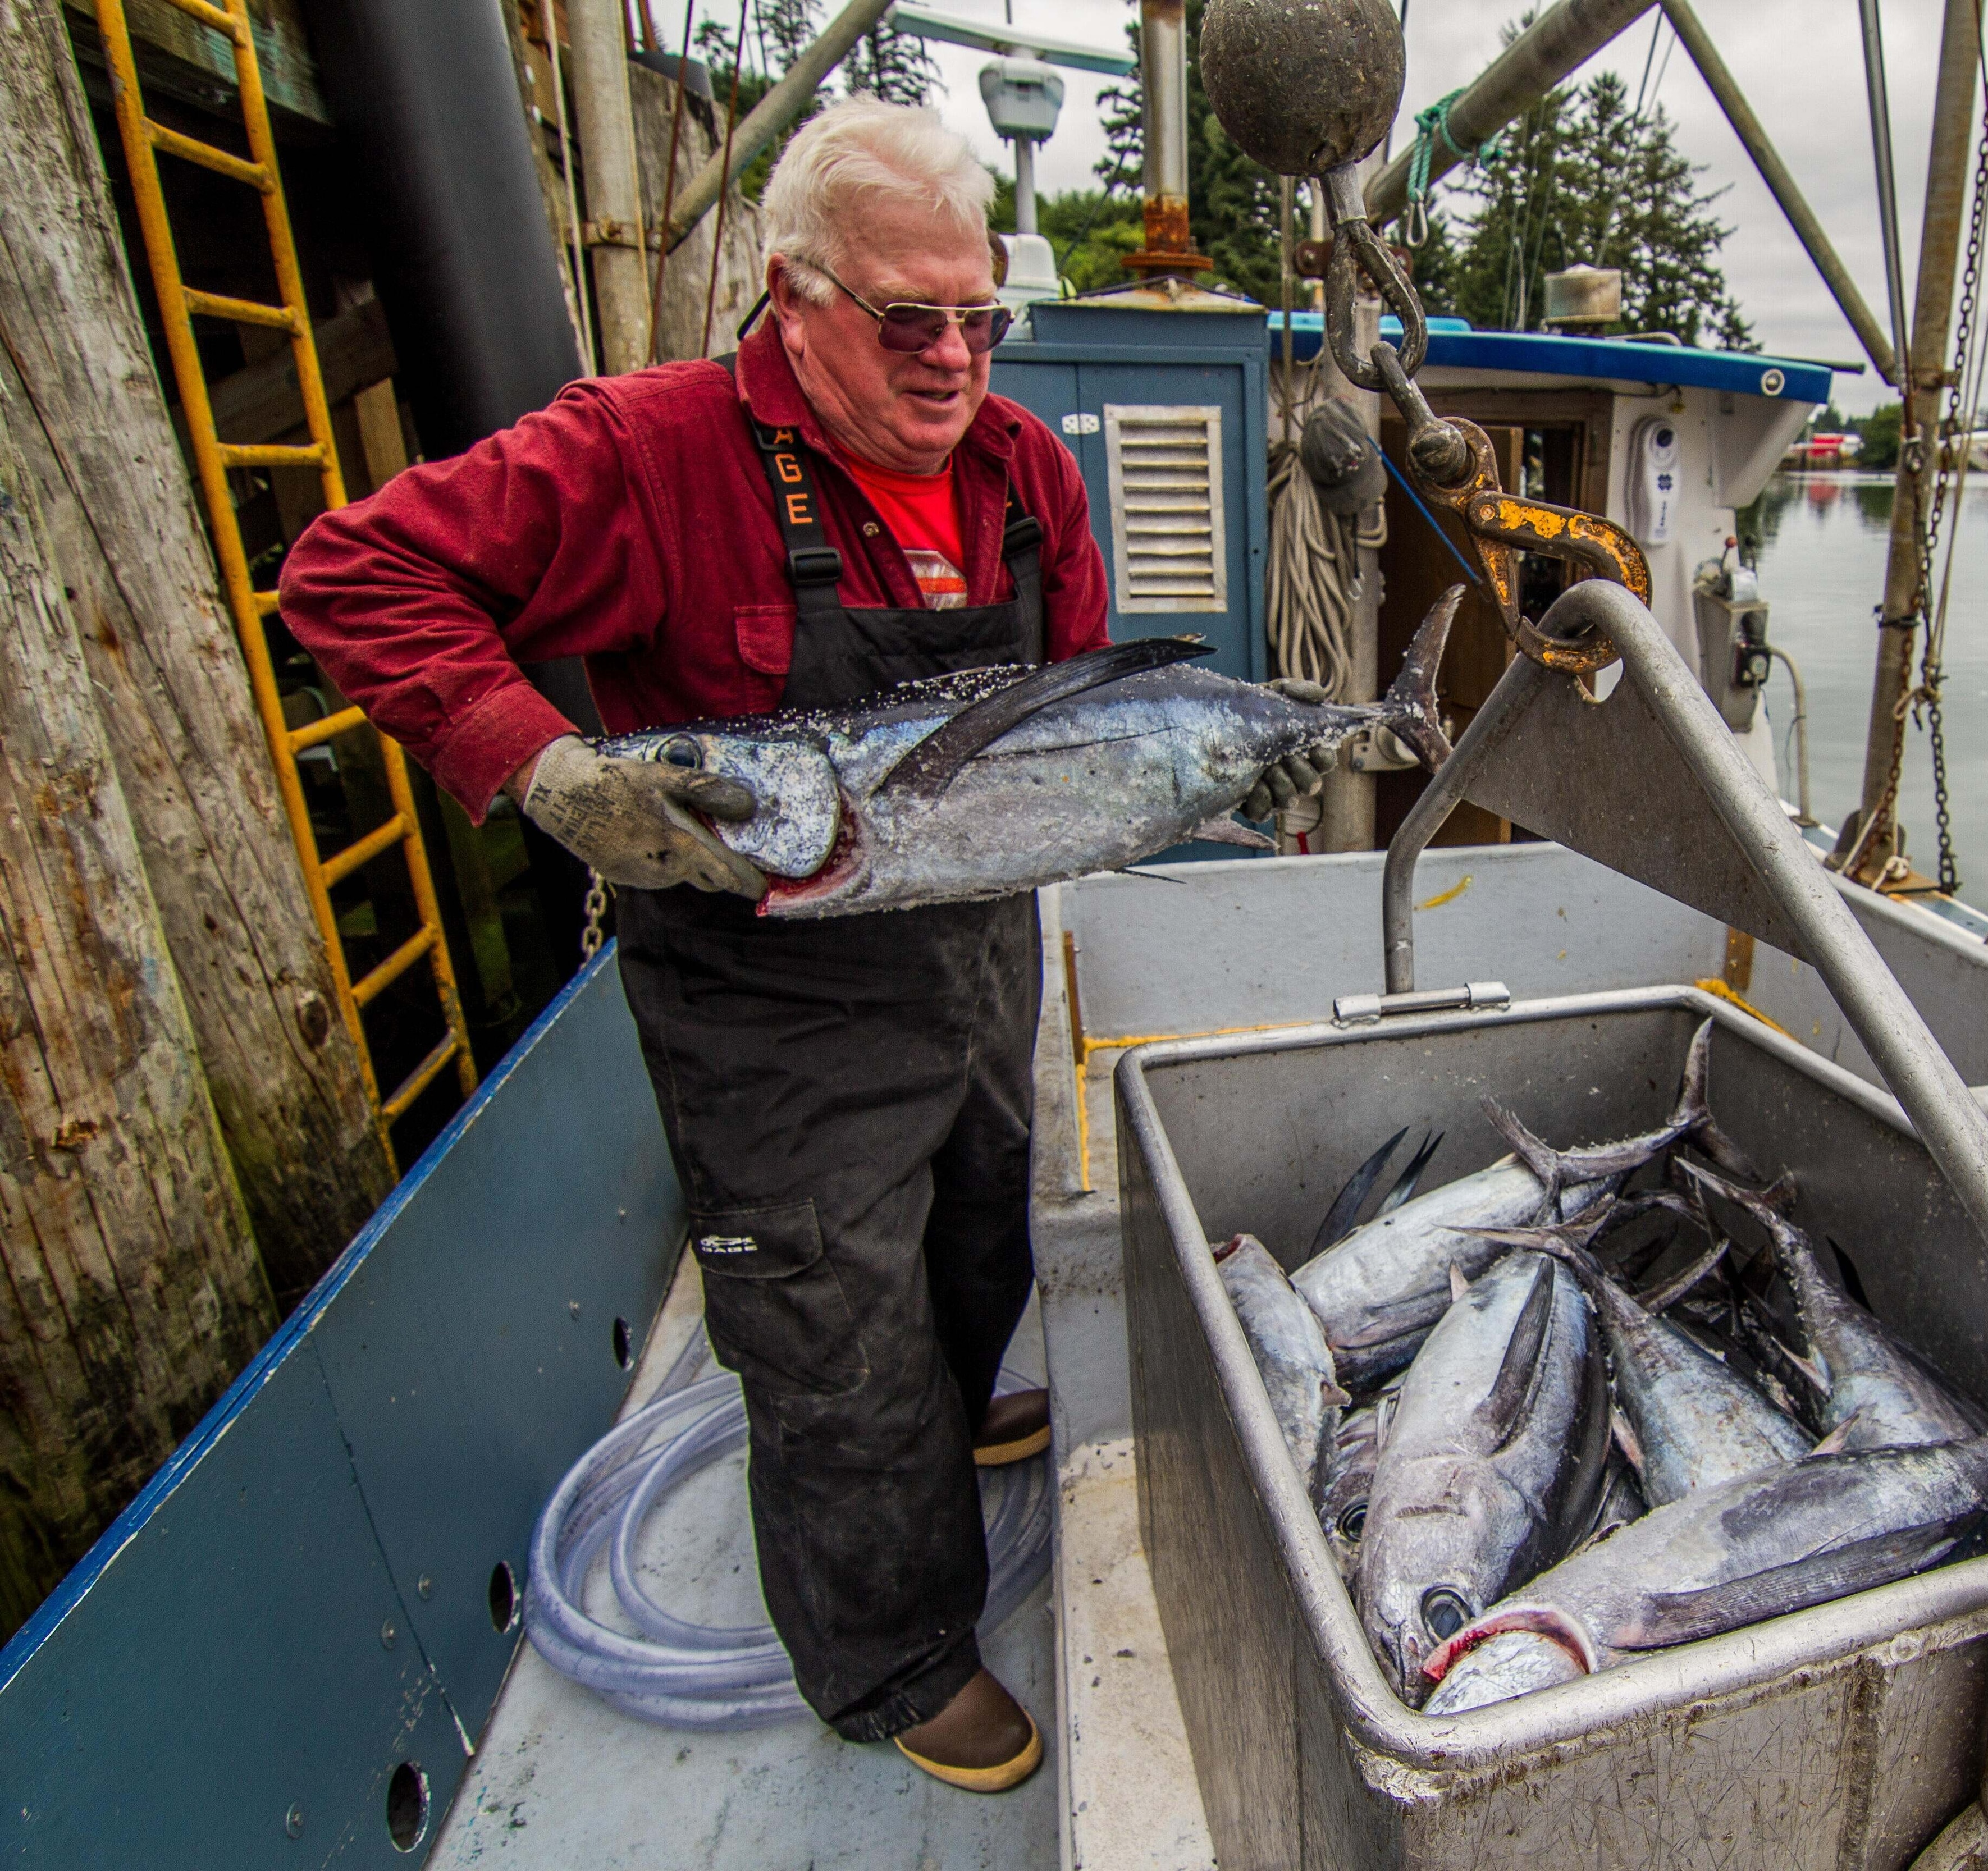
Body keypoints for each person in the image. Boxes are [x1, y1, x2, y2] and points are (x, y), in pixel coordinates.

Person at [281, 101, 1323, 1791]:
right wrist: (540, 763)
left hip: (979, 960)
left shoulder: (1029, 475)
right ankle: (895, 1659)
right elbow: (351, 573)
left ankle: (963, 1401)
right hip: (768, 1006)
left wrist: (1195, 780)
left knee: (984, 1233)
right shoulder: (646, 451)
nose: (954, 360)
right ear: (794, 294)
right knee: (830, 1349)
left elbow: (1083, 727)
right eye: (909, 322)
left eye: (982, 321)